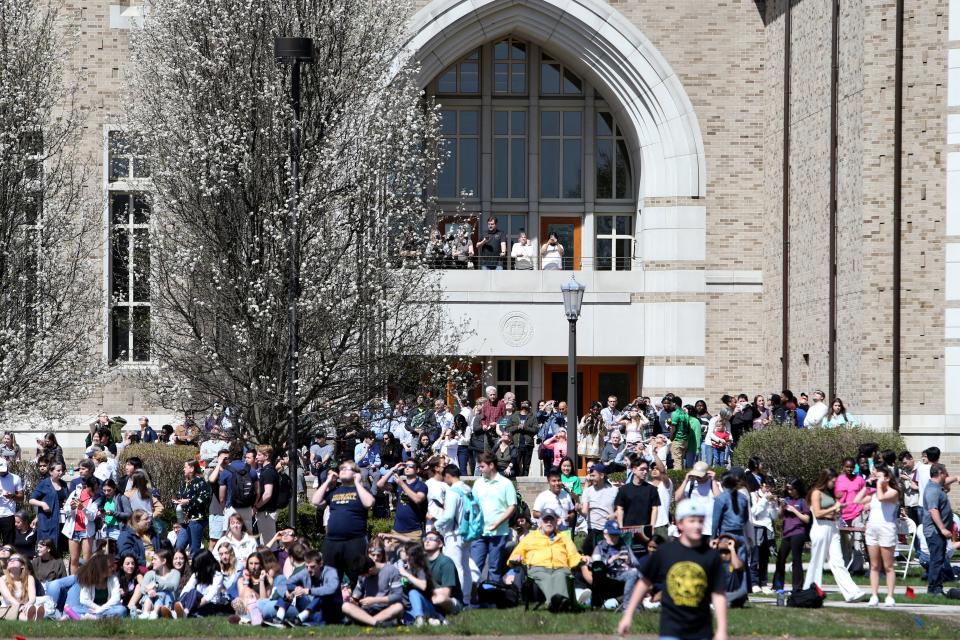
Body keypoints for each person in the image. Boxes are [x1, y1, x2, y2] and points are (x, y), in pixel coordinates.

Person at [617, 499, 728, 640]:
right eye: (692, 521)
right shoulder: (665, 552)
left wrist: (722, 629)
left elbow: (718, 594)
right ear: (680, 523)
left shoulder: (711, 556)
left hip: (701, 631)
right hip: (671, 630)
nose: (697, 525)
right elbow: (643, 583)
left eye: (700, 521)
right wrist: (628, 615)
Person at [803, 468, 865, 602]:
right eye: (832, 481)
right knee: (817, 561)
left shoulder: (831, 494)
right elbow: (818, 513)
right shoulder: (816, 493)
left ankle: (852, 592)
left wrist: (839, 509)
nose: (834, 483)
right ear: (825, 479)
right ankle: (811, 591)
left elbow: (832, 513)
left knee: (838, 561)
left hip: (833, 527)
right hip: (820, 527)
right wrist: (834, 508)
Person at [508, 508, 587, 611]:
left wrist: (580, 559)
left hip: (560, 567)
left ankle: (560, 602)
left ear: (556, 522)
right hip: (538, 568)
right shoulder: (531, 537)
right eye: (546, 520)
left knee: (561, 575)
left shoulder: (563, 537)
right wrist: (515, 559)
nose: (548, 522)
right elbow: (517, 553)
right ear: (540, 522)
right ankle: (555, 603)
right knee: (546, 577)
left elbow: (572, 553)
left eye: (551, 520)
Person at [312, 460, 374, 583]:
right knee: (330, 579)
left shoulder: (361, 489)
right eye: (341, 469)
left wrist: (357, 482)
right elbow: (316, 501)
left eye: (347, 468)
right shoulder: (335, 491)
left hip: (354, 541)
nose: (343, 471)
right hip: (332, 542)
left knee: (357, 578)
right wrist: (328, 482)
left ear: (356, 473)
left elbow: (369, 503)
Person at [470, 452, 517, 588]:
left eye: (482, 466)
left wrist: (497, 523)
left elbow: (512, 506)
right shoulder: (478, 483)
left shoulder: (505, 484)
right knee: (475, 566)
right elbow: (473, 505)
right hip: (479, 533)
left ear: (491, 466)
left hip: (499, 533)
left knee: (494, 568)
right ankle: (473, 599)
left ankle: (492, 597)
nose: (480, 469)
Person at [856, 464, 899, 606]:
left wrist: (880, 484)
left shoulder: (893, 492)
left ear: (887, 478)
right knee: (874, 565)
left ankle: (890, 596)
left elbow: (882, 498)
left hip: (886, 529)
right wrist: (866, 486)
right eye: (876, 477)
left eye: (880, 476)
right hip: (872, 529)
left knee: (888, 565)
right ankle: (874, 595)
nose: (877, 479)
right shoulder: (874, 494)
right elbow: (857, 501)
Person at [435, 464, 473, 604]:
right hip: (468, 532)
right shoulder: (468, 489)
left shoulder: (452, 492)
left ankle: (460, 599)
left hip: (454, 534)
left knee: (457, 568)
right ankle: (467, 598)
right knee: (466, 567)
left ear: (448, 476)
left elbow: (449, 516)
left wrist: (437, 525)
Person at [340, 546, 404, 627]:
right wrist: (354, 598)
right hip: (367, 610)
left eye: (364, 575)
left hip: (385, 609)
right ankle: (376, 623)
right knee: (345, 606)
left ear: (370, 570)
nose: (362, 577)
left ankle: (365, 622)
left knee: (398, 607)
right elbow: (358, 589)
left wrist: (374, 600)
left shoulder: (391, 570)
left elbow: (398, 596)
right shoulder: (362, 574)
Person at [614, 455, 660, 556]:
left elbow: (655, 509)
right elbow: (620, 509)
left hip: (645, 529)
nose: (645, 472)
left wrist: (652, 526)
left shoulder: (652, 490)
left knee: (645, 558)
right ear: (634, 470)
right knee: (628, 557)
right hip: (628, 529)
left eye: (646, 470)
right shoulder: (624, 490)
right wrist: (621, 527)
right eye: (642, 469)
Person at [587, 520, 640, 606]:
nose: (615, 538)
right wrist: (610, 560)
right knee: (633, 573)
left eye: (617, 535)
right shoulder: (599, 548)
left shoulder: (624, 546)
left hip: (624, 573)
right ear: (605, 534)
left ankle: (645, 600)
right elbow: (595, 567)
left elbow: (637, 564)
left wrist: (629, 562)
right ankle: (627, 606)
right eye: (612, 535)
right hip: (609, 577)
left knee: (639, 573)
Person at [922, 463, 956, 595]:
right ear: (940, 473)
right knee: (937, 559)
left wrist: (956, 478)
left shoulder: (937, 487)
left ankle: (936, 587)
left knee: (939, 559)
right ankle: (934, 589)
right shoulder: (932, 489)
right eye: (945, 473)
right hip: (935, 531)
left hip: (938, 532)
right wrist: (942, 528)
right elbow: (933, 510)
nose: (947, 476)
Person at [772, 478, 810, 593]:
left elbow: (806, 519)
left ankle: (797, 587)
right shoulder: (787, 500)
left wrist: (794, 510)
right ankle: (778, 586)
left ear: (797, 489)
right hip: (786, 533)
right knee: (780, 559)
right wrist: (781, 508)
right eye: (788, 489)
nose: (789, 491)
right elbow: (779, 517)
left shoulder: (802, 501)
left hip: (798, 533)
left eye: (791, 489)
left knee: (796, 560)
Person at [377, 460, 428, 539]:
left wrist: (402, 484)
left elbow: (418, 499)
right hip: (396, 531)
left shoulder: (421, 486)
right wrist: (393, 469)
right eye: (405, 466)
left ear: (417, 470)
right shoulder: (400, 484)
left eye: (410, 466)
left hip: (414, 532)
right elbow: (380, 484)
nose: (407, 468)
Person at [218, 443, 260, 534]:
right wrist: (254, 506)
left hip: (231, 507)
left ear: (230, 454)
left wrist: (224, 508)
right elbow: (258, 492)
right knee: (248, 536)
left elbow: (221, 497)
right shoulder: (251, 470)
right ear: (242, 454)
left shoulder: (226, 471)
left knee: (229, 537)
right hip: (247, 507)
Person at [63, 476, 100, 575]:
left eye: (97, 488)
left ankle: (86, 583)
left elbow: (92, 517)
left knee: (86, 560)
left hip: (86, 531)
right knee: (74, 559)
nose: (96, 491)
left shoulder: (96, 499)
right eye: (94, 489)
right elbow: (66, 510)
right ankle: (73, 582)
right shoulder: (75, 493)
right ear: (87, 486)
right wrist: (71, 507)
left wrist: (83, 508)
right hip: (74, 530)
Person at [174, 460, 211, 557]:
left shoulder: (200, 481)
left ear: (192, 468)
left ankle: (195, 569)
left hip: (196, 520)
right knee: (179, 546)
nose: (183, 469)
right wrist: (178, 503)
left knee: (194, 548)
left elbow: (205, 498)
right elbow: (180, 497)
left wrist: (189, 501)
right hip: (185, 521)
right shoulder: (184, 483)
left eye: (185, 467)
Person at [835, 457, 867, 572]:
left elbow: (865, 493)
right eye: (847, 467)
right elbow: (836, 497)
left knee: (857, 541)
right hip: (843, 515)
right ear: (843, 466)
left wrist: (864, 507)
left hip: (857, 512)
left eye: (852, 467)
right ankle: (846, 566)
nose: (849, 469)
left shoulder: (859, 480)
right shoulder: (838, 480)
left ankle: (858, 568)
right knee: (846, 542)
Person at [581, 464, 618, 555]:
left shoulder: (614, 490)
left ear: (602, 475)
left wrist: (614, 515)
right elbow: (584, 512)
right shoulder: (587, 491)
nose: (591, 478)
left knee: (608, 555)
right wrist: (579, 509)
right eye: (590, 476)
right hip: (593, 530)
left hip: (609, 529)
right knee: (589, 554)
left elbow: (620, 509)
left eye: (593, 475)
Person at [29, 461, 67, 546]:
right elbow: (31, 500)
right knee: (46, 545)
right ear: (50, 471)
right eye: (58, 470)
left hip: (61, 520)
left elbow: (65, 499)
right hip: (47, 520)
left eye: (62, 470)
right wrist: (43, 504)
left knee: (59, 546)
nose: (61, 472)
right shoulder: (44, 484)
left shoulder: (64, 484)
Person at [533, 468, 576, 533]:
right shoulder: (542, 496)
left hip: (564, 531)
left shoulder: (566, 495)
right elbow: (535, 513)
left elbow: (572, 512)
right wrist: (549, 515)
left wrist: (570, 517)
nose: (557, 483)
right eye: (554, 481)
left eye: (559, 480)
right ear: (548, 481)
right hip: (548, 532)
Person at [253, 445, 280, 545]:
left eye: (259, 455)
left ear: (266, 456)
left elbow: (268, 493)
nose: (256, 457)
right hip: (265, 512)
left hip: (267, 513)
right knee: (265, 543)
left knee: (269, 544)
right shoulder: (267, 470)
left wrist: (256, 507)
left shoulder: (268, 472)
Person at [0, 553, 38, 621]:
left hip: (26, 607)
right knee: (20, 614)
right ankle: (33, 618)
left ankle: (32, 616)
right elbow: (9, 598)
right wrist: (20, 606)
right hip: (9, 608)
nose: (12, 561)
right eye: (10, 559)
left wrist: (28, 604)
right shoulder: (2, 579)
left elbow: (32, 598)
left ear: (22, 565)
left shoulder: (29, 578)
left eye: (15, 559)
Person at [0, 459, 23, 545]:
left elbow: (21, 497)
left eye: (3, 470)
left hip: (8, 515)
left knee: (9, 544)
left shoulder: (15, 478)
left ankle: (8, 558)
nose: (1, 473)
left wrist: (12, 496)